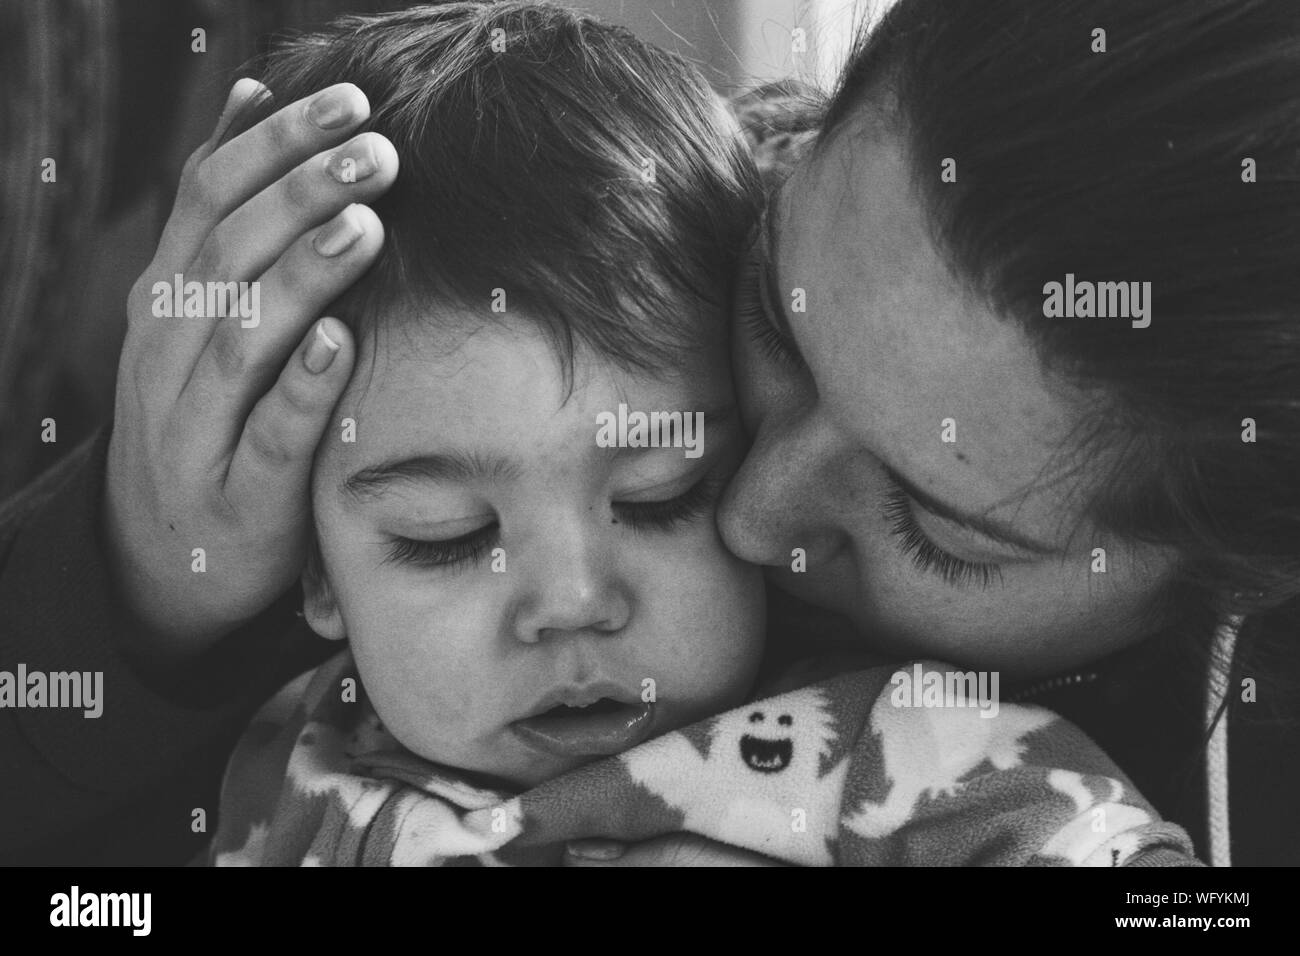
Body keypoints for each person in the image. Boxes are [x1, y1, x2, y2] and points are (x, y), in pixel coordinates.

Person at [0, 0, 1295, 866]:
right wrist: (137, 583)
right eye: (779, 328)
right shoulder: (554, 292)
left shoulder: (935, 763)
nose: (747, 514)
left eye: (935, 523)